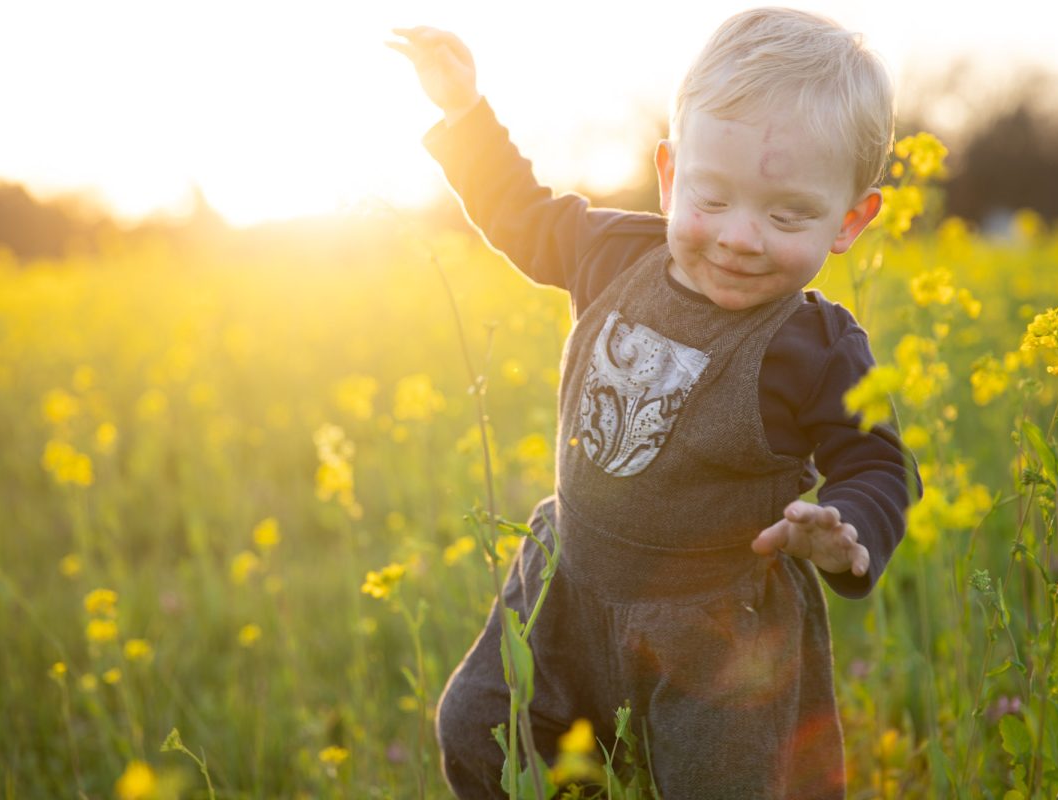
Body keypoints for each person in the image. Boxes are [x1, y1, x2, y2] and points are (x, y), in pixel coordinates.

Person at [390, 8, 919, 798]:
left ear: (850, 221)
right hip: (567, 581)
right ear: (671, 175)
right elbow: (522, 213)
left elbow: (879, 460)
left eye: (786, 215)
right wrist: (465, 115)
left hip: (714, 637)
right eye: (712, 200)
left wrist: (848, 531)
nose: (740, 237)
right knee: (480, 730)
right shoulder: (614, 255)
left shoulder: (817, 348)